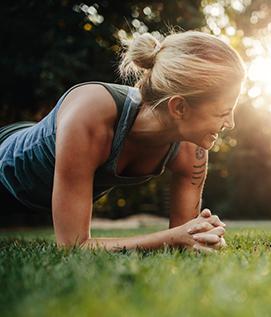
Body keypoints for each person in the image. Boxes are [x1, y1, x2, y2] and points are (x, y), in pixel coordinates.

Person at [0, 31, 246, 251]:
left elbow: (185, 238)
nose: (231, 123)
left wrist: (203, 237)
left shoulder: (193, 151)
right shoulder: (90, 114)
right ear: (179, 107)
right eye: (222, 112)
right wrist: (172, 237)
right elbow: (73, 245)